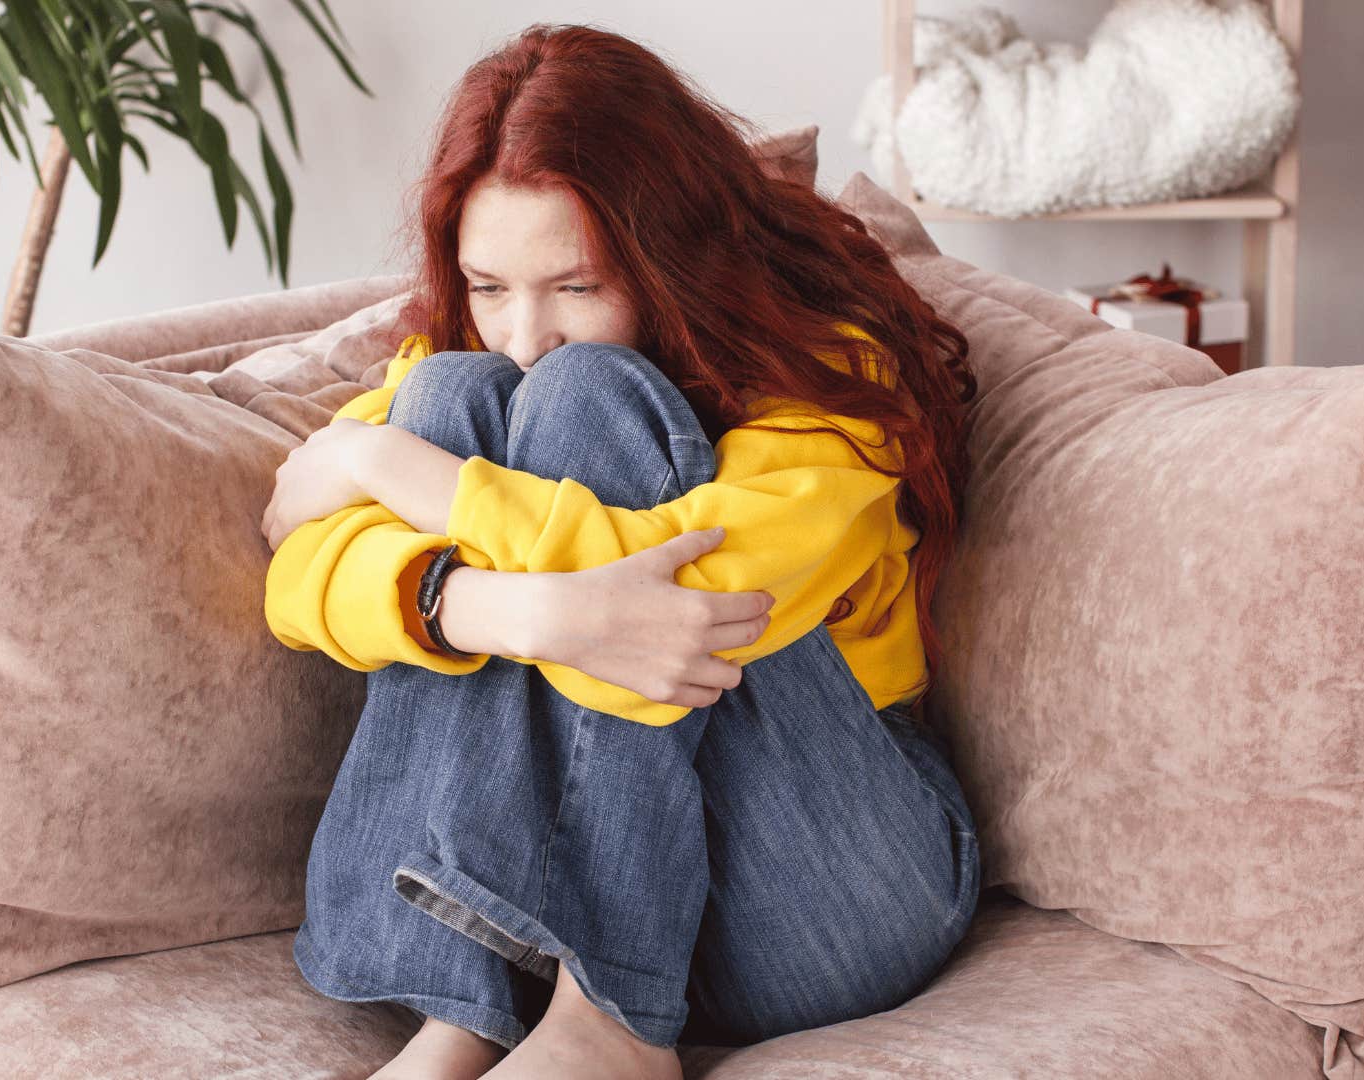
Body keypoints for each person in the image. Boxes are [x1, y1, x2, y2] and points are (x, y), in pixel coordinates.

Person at [259, 22, 980, 1080]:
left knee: (585, 400)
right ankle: (469, 1008)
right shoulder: (465, 357)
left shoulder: (825, 372)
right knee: (453, 395)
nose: (521, 332)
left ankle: (612, 1024)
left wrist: (378, 463)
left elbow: (694, 600)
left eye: (577, 286)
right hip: (562, 910)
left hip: (824, 884)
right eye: (489, 285)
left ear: (669, 260)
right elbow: (293, 565)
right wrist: (515, 613)